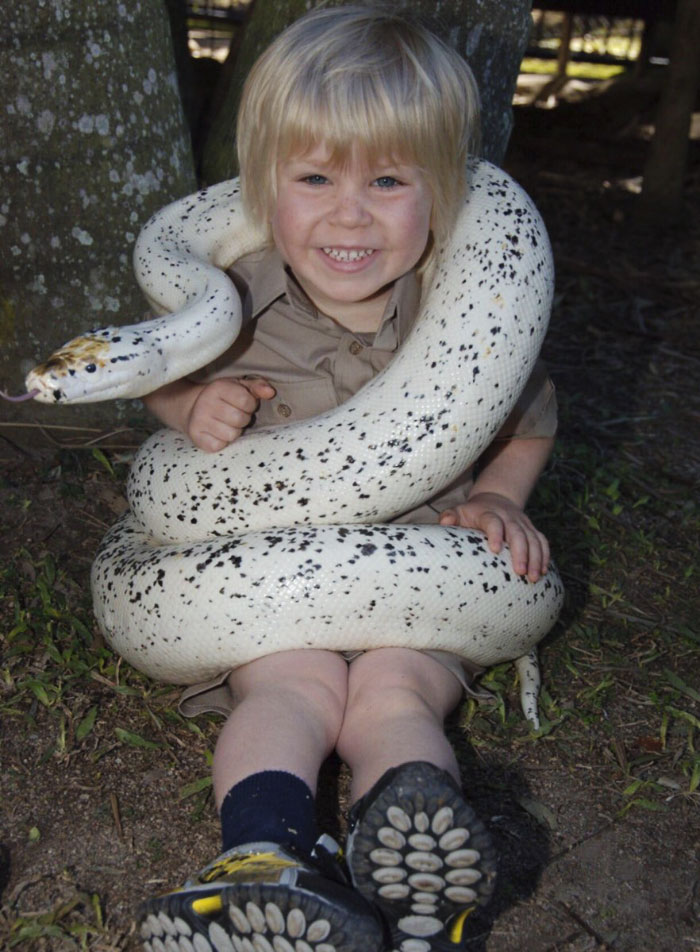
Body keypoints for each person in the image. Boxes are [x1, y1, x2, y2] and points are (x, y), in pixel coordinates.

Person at [137, 6, 557, 952]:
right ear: (261, 188)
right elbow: (165, 387)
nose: (350, 213)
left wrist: (498, 498)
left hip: (416, 579)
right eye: (315, 177)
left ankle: (414, 867)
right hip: (273, 584)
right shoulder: (231, 298)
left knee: (396, 691)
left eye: (390, 181)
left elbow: (527, 423)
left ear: (442, 193)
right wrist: (191, 408)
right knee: (290, 687)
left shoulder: (467, 316)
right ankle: (263, 859)